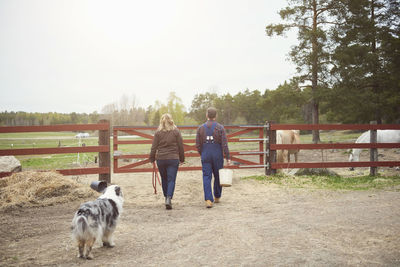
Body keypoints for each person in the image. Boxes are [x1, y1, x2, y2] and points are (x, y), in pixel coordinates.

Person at [196, 107, 231, 208]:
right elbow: (224, 144)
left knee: (206, 176)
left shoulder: (200, 128)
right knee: (218, 176)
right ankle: (217, 196)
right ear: (216, 116)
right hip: (217, 155)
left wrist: (202, 153)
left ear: (207, 115)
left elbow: (197, 144)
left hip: (205, 154)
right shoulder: (220, 128)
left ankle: (208, 199)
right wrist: (228, 157)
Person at [149, 113, 185, 210]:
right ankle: (169, 198)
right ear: (171, 120)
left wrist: (152, 158)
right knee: (171, 179)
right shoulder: (176, 131)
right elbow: (181, 147)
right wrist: (182, 159)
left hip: (161, 159)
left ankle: (166, 198)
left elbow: (154, 147)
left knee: (164, 179)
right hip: (173, 158)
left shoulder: (158, 133)